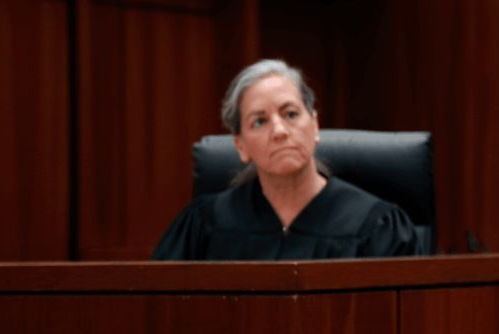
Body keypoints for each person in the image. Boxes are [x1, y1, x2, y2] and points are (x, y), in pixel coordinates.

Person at [153, 59, 419, 260]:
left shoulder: (379, 226)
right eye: (259, 121)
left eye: (290, 114)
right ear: (240, 145)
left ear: (314, 125)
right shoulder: (204, 224)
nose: (279, 131)